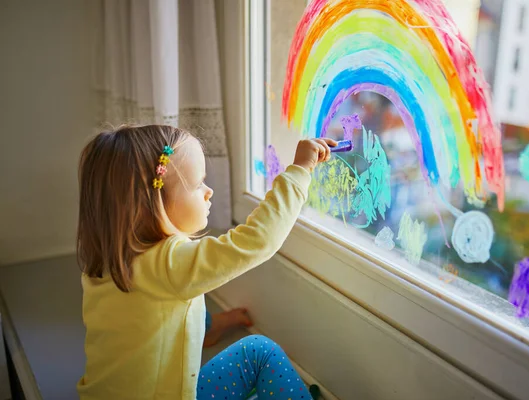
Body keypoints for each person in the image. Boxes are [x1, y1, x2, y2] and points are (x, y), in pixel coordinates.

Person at [76, 124, 335, 399]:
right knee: (260, 352)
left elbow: (151, 319)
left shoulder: (109, 262)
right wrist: (300, 170)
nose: (208, 191)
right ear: (151, 202)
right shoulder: (169, 264)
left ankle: (209, 327)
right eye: (198, 184)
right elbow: (258, 240)